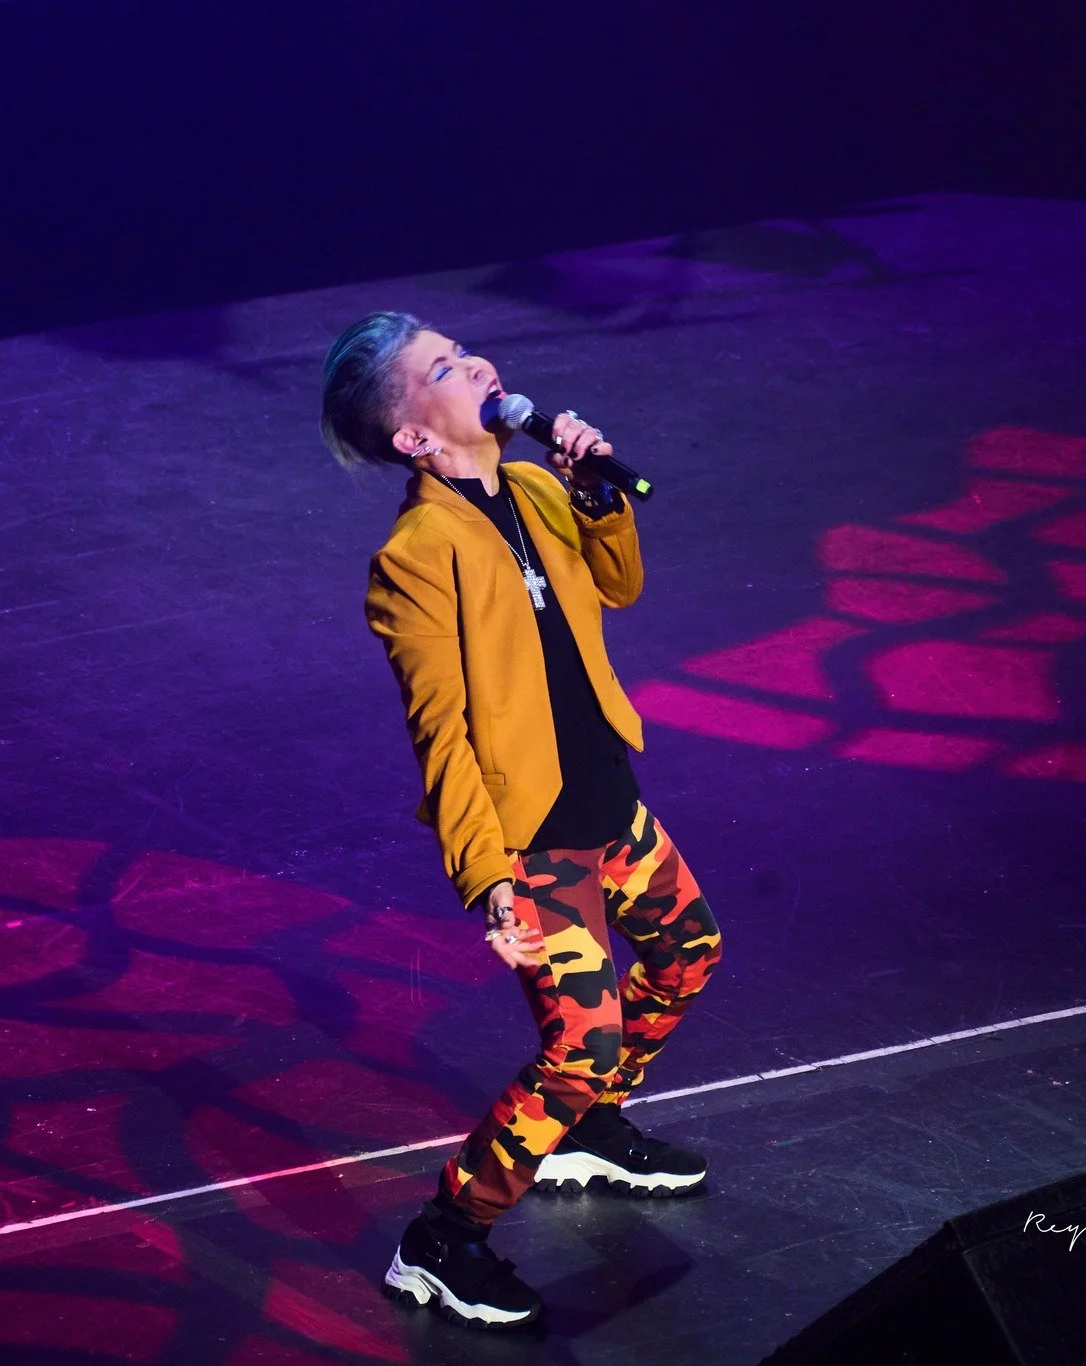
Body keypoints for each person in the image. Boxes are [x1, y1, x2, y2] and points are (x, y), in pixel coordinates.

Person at [320, 311, 723, 1331]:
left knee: (687, 955)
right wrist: (487, 876)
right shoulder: (417, 555)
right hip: (534, 837)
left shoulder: (538, 487)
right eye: (444, 369)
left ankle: (586, 1128)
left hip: (608, 800)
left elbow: (619, 585)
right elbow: (442, 733)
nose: (477, 366)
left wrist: (594, 491)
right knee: (581, 1043)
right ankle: (444, 1238)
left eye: (463, 350)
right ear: (413, 434)